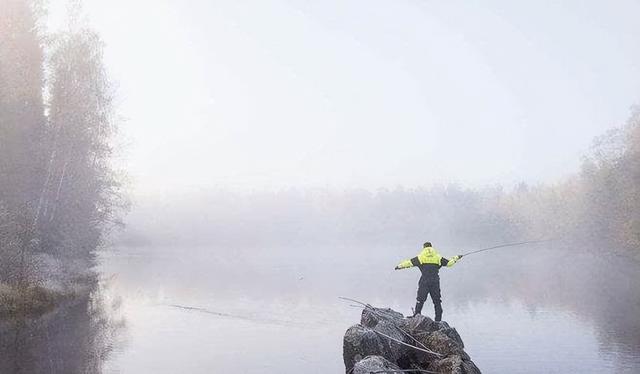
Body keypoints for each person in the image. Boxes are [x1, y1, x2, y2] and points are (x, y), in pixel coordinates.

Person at [395, 242, 462, 321]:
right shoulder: (438, 257)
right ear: (431, 247)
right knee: (437, 301)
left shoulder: (421, 257)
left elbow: (409, 263)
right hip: (435, 281)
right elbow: (449, 263)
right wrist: (457, 257)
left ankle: (416, 315)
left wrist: (399, 266)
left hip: (424, 281)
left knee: (420, 299)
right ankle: (438, 320)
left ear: (424, 248)